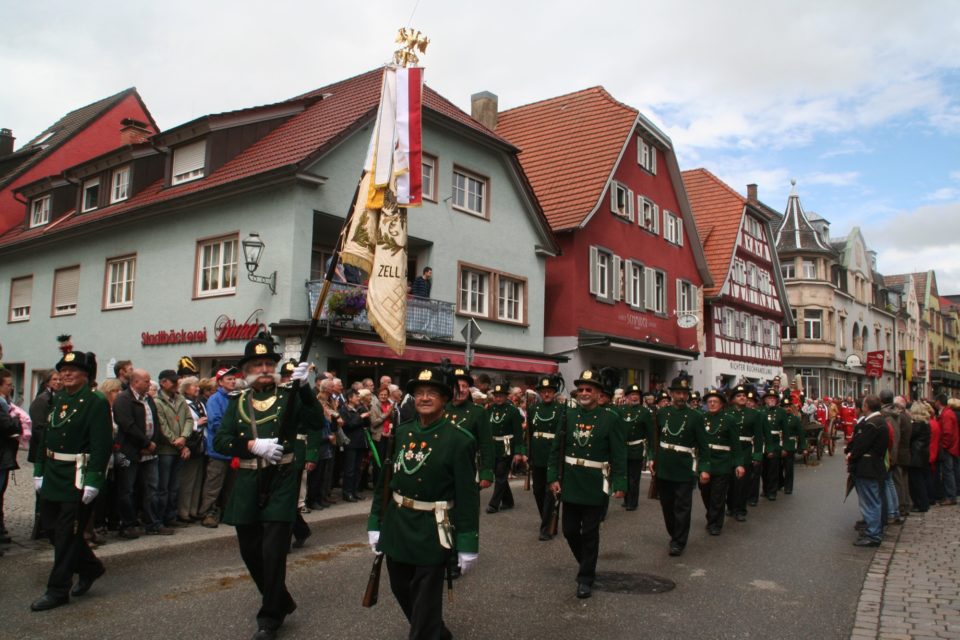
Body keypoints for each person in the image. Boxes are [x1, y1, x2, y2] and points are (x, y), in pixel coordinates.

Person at [213, 334, 317, 640]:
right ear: (246, 370)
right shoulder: (238, 401)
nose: (263, 369)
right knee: (250, 551)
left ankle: (270, 617)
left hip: (282, 479)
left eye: (268, 364)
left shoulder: (289, 396)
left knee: (273, 552)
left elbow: (315, 423)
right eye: (257, 364)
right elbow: (220, 440)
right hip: (248, 479)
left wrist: (305, 389)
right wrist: (251, 445)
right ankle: (281, 600)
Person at [367, 366, 479, 639]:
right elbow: (385, 482)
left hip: (433, 529)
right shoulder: (402, 433)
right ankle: (437, 632)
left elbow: (467, 497)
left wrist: (467, 542)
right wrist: (375, 522)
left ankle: (426, 632)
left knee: (426, 597)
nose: (425, 398)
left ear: (445, 399)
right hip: (397, 524)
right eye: (419, 393)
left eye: (432, 393)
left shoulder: (459, 440)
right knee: (401, 587)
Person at [30, 350, 112, 611]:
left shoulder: (95, 401)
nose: (66, 374)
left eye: (72, 370)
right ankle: (90, 567)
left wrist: (94, 479)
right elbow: (46, 436)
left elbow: (101, 444)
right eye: (63, 370)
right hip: (54, 471)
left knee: (66, 535)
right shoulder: (59, 397)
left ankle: (57, 590)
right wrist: (39, 469)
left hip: (77, 475)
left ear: (85, 375)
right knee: (51, 529)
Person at [548, 369, 626, 597]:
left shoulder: (610, 418)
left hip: (595, 483)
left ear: (598, 393)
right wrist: (553, 477)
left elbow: (619, 454)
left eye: (588, 389)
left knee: (590, 533)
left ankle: (585, 578)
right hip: (571, 481)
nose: (583, 393)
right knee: (570, 530)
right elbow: (556, 449)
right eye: (581, 389)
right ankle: (587, 562)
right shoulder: (568, 415)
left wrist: (620, 483)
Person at [650, 375, 710, 556]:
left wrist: (704, 468)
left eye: (684, 393)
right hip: (664, 466)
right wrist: (652, 458)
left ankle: (678, 541)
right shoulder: (662, 413)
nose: (681, 397)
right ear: (671, 394)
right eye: (678, 393)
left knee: (682, 507)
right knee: (667, 506)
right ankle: (674, 533)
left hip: (684, 467)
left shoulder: (696, 417)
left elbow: (703, 445)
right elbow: (655, 439)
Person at [112, 369, 169, 537]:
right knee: (127, 489)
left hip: (150, 452)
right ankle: (127, 524)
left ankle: (153, 523)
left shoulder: (148, 399)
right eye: (146, 381)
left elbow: (155, 423)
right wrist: (145, 443)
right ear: (135, 382)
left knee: (152, 488)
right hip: (128, 453)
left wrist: (154, 443)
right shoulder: (123, 399)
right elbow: (127, 425)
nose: (149, 384)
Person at [699, 388, 743, 536]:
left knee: (718, 495)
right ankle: (711, 515)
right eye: (709, 401)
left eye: (715, 401)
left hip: (722, 461)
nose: (712, 404)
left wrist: (739, 463)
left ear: (722, 404)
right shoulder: (701, 418)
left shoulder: (729, 420)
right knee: (705, 493)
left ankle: (715, 524)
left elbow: (736, 444)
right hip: (705, 461)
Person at [847, 395, 889, 547]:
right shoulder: (879, 421)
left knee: (870, 502)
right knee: (873, 501)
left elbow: (861, 445)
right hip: (873, 466)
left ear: (867, 407)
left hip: (868, 467)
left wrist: (851, 455)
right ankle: (873, 531)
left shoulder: (872, 424)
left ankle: (873, 534)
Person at [527, 375, 565, 539]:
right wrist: (528, 454)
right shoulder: (533, 409)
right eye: (543, 391)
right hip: (537, 454)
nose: (546, 394)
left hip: (553, 454)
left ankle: (546, 528)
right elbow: (530, 433)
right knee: (537, 491)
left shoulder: (561, 409)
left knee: (550, 492)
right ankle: (547, 519)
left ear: (554, 392)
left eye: (549, 391)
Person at [200, 367, 239, 527]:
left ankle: (226, 512)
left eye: (234, 378)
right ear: (220, 382)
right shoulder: (214, 399)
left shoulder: (236, 398)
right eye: (229, 379)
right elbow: (216, 423)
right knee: (214, 485)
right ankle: (207, 513)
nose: (233, 381)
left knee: (231, 485)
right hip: (219, 450)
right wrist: (235, 432)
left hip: (233, 449)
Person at [154, 369, 194, 529]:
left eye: (177, 381)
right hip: (165, 450)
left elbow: (189, 420)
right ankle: (159, 519)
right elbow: (161, 425)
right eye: (172, 381)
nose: (176, 384)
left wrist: (183, 437)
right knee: (163, 487)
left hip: (179, 448)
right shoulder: (157, 401)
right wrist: (176, 441)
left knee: (175, 486)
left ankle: (171, 516)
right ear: (163, 382)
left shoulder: (180, 399)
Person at [444, 368, 495, 490]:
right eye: (457, 386)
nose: (461, 390)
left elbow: (486, 444)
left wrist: (486, 472)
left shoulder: (478, 412)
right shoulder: (441, 409)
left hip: (468, 468)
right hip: (443, 468)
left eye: (465, 386)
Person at [28, 370, 62, 539]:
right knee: (41, 489)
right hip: (42, 451)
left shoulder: (59, 398)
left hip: (55, 452)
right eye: (54, 379)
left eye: (59, 379)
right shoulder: (41, 401)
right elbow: (38, 429)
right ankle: (40, 525)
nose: (58, 382)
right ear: (47, 382)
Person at [486, 382, 525, 513]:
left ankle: (494, 504)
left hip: (507, 444)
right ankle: (508, 501)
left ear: (506, 396)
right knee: (499, 474)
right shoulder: (490, 409)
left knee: (501, 474)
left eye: (501, 396)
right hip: (493, 445)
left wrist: (519, 452)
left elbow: (518, 433)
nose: (498, 398)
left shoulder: (513, 411)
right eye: (496, 396)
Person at [619, 383, 653, 512]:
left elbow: (650, 433)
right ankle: (626, 499)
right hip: (623, 448)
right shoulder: (621, 410)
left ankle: (633, 502)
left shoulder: (645, 412)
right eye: (632, 394)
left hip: (636, 448)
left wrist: (650, 453)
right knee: (625, 475)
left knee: (634, 477)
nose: (634, 397)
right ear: (627, 397)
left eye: (637, 395)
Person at [179, 376, 207, 523]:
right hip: (191, 444)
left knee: (197, 481)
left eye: (197, 386)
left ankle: (193, 510)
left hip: (201, 444)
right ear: (186, 389)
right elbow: (182, 423)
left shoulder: (199, 403)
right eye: (193, 386)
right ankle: (184, 511)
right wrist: (197, 424)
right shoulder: (183, 403)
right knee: (188, 481)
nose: (197, 388)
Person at [0, 370, 22, 545]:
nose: (11, 388)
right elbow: (8, 426)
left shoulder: (6, 403)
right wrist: (17, 420)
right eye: (8, 385)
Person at [340, 388, 369, 502]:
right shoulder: (344, 410)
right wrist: (360, 417)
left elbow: (366, 424)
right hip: (350, 443)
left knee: (357, 469)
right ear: (349, 398)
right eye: (356, 396)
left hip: (360, 442)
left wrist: (364, 414)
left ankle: (354, 491)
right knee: (349, 469)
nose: (358, 398)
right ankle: (347, 493)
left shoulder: (359, 409)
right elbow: (348, 425)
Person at [761, 388, 786, 501]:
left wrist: (784, 447)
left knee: (773, 469)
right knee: (763, 469)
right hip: (763, 443)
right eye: (769, 398)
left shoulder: (781, 412)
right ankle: (765, 489)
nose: (771, 400)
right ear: (765, 400)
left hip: (775, 442)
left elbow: (785, 430)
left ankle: (772, 491)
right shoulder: (761, 411)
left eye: (773, 398)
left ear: (777, 400)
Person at [907, 402, 932, 513]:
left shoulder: (917, 425)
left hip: (916, 455)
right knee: (921, 479)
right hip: (923, 454)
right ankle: (923, 503)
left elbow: (909, 437)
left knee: (917, 481)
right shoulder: (926, 423)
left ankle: (922, 504)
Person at [780, 397, 807, 495]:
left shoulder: (795, 419)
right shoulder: (778, 418)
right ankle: (780, 483)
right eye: (785, 407)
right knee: (777, 467)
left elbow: (801, 433)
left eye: (789, 406)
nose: (787, 408)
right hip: (779, 444)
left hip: (790, 445)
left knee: (789, 468)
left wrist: (803, 447)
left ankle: (788, 487)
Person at [934, 394, 958, 505]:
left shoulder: (946, 414)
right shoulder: (948, 413)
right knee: (949, 471)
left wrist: (944, 446)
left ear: (939, 402)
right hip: (951, 446)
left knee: (948, 472)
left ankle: (950, 496)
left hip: (948, 448)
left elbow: (947, 432)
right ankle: (950, 495)